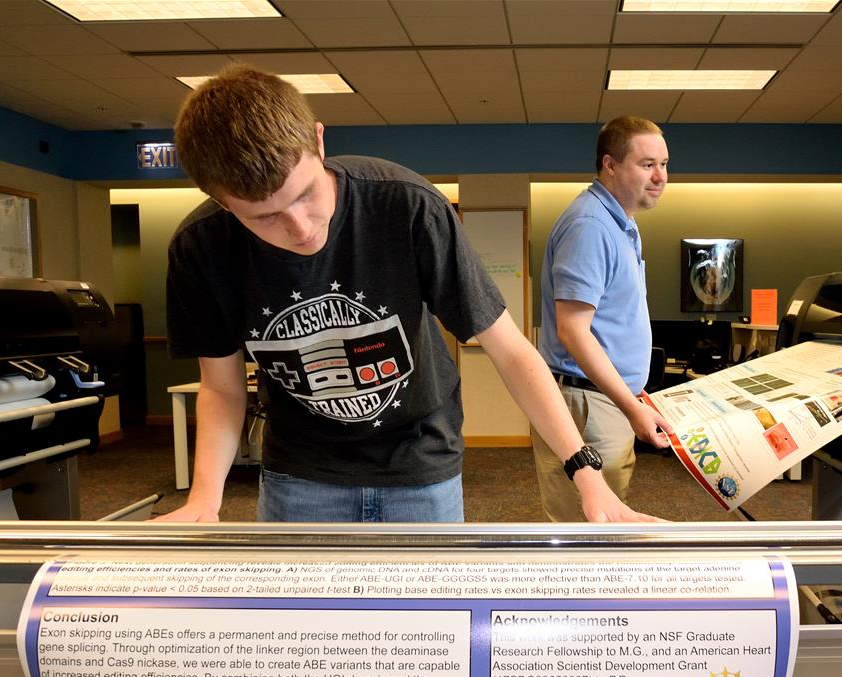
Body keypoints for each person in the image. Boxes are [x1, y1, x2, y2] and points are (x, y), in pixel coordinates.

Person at [156, 64, 657, 525]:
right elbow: (221, 387)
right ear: (219, 200)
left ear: (318, 140)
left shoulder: (407, 206)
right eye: (263, 217)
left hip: (420, 465)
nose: (301, 228)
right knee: (309, 621)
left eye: (306, 194)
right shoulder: (201, 248)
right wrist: (205, 498)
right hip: (301, 473)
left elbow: (510, 349)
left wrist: (585, 471)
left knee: (432, 620)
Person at [532, 116, 673, 522]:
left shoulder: (622, 223)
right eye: (647, 164)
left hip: (605, 400)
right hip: (588, 405)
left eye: (664, 165)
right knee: (588, 534)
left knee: (608, 528)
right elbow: (573, 332)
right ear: (610, 165)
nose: (660, 176)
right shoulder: (590, 225)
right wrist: (630, 406)